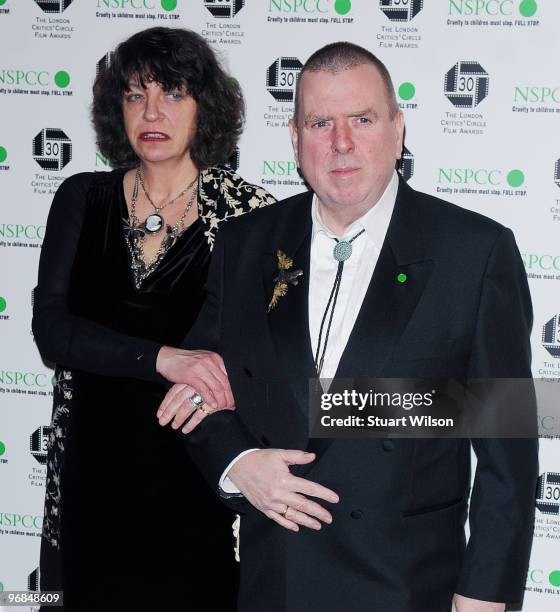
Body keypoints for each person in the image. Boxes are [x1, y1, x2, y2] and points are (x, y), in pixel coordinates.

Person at [159, 42, 538, 612]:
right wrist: (238, 465)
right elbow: (195, 384)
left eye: (362, 119)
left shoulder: (475, 251)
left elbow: (508, 444)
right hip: (275, 583)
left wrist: (483, 594)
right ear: (294, 138)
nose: (342, 143)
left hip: (409, 588)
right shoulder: (247, 244)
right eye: (320, 122)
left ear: (397, 127)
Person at [32, 26, 275, 610]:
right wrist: (163, 358)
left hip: (194, 482)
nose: (152, 111)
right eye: (136, 95)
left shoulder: (248, 216)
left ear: (203, 109)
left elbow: (262, 360)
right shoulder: (81, 198)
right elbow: (53, 331)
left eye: (173, 93)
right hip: (89, 476)